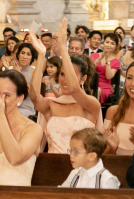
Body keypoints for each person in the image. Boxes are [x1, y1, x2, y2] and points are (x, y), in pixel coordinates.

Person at [27, 22, 102, 153]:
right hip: (53, 166)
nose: (65, 80)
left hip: (81, 167)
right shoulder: (51, 104)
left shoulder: (90, 105)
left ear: (83, 79)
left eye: (71, 75)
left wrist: (62, 47)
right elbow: (33, 95)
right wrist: (41, 55)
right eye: (62, 74)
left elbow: (74, 89)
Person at [95, 32, 122, 105]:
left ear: (116, 46)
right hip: (92, 84)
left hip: (104, 88)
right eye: (107, 42)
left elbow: (109, 76)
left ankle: (95, 113)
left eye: (112, 43)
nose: (109, 45)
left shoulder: (116, 61)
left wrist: (107, 62)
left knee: (97, 90)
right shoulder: (94, 55)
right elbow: (89, 70)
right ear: (103, 43)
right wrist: (99, 59)